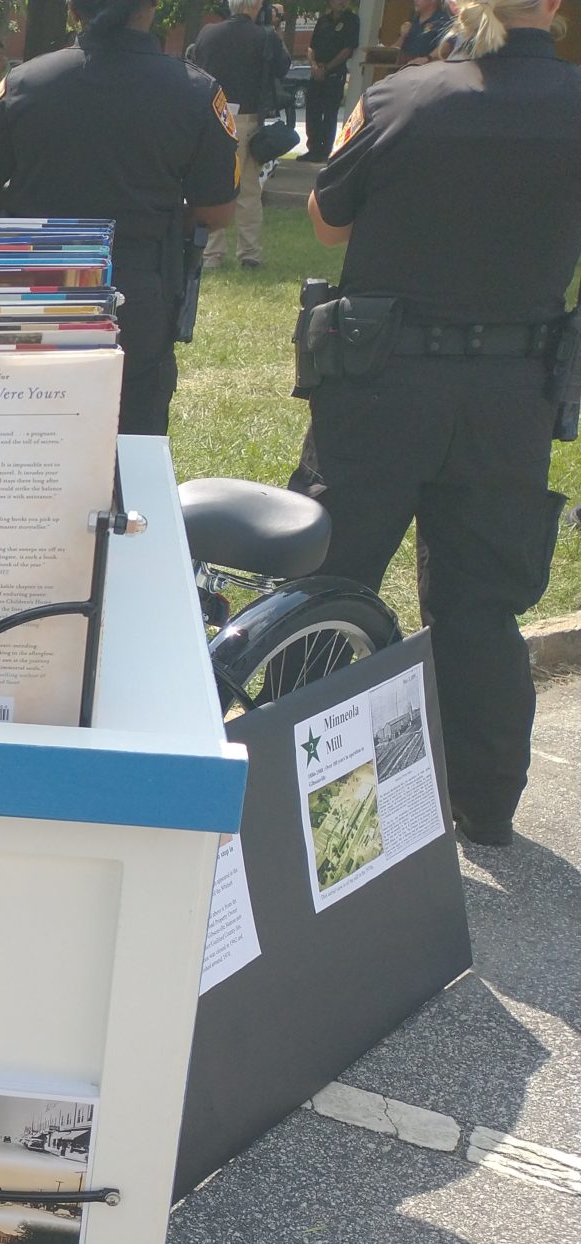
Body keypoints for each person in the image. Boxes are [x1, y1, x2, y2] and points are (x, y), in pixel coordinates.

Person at [291, 0, 580, 847]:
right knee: (483, 604)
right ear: (554, 9)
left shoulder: (401, 99)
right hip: (512, 391)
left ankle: (286, 791)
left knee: (332, 585)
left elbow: (325, 220)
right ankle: (487, 804)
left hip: (384, 380)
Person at [0, 0, 239, 435]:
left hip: (35, 285)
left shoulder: (23, 82)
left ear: (72, 10)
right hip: (138, 289)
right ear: (151, 8)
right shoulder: (198, 92)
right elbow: (216, 212)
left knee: (26, 434)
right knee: (133, 440)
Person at [193, 0, 286, 269]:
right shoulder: (264, 36)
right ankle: (249, 254)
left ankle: (210, 253)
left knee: (211, 187)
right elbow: (283, 67)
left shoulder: (207, 33)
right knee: (248, 190)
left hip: (213, 116)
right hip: (246, 118)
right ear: (256, 5)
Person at [302, 0, 360, 159]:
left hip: (334, 75)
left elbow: (347, 49)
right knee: (312, 111)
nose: (342, 2)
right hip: (316, 73)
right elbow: (311, 47)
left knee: (329, 114)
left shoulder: (352, 20)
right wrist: (314, 66)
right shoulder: (323, 21)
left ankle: (326, 151)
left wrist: (326, 69)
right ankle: (313, 149)